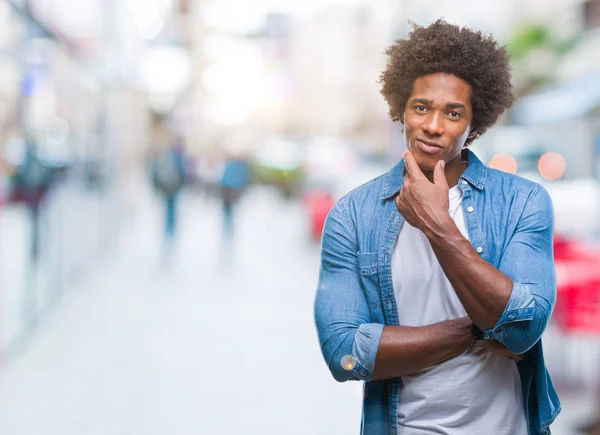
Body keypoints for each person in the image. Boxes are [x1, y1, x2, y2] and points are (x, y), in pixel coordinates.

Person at [314, 19, 560, 435]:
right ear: (402, 109)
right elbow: (344, 355)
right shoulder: (353, 216)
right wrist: (477, 330)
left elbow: (521, 329)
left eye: (453, 113)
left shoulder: (523, 202)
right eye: (422, 107)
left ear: (473, 122)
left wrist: (438, 226)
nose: (432, 125)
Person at [151, 138, 186, 248]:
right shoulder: (177, 158)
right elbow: (182, 174)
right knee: (171, 211)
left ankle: (168, 232)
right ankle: (170, 233)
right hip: (173, 189)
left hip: (167, 188)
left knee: (169, 210)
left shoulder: (166, 157)